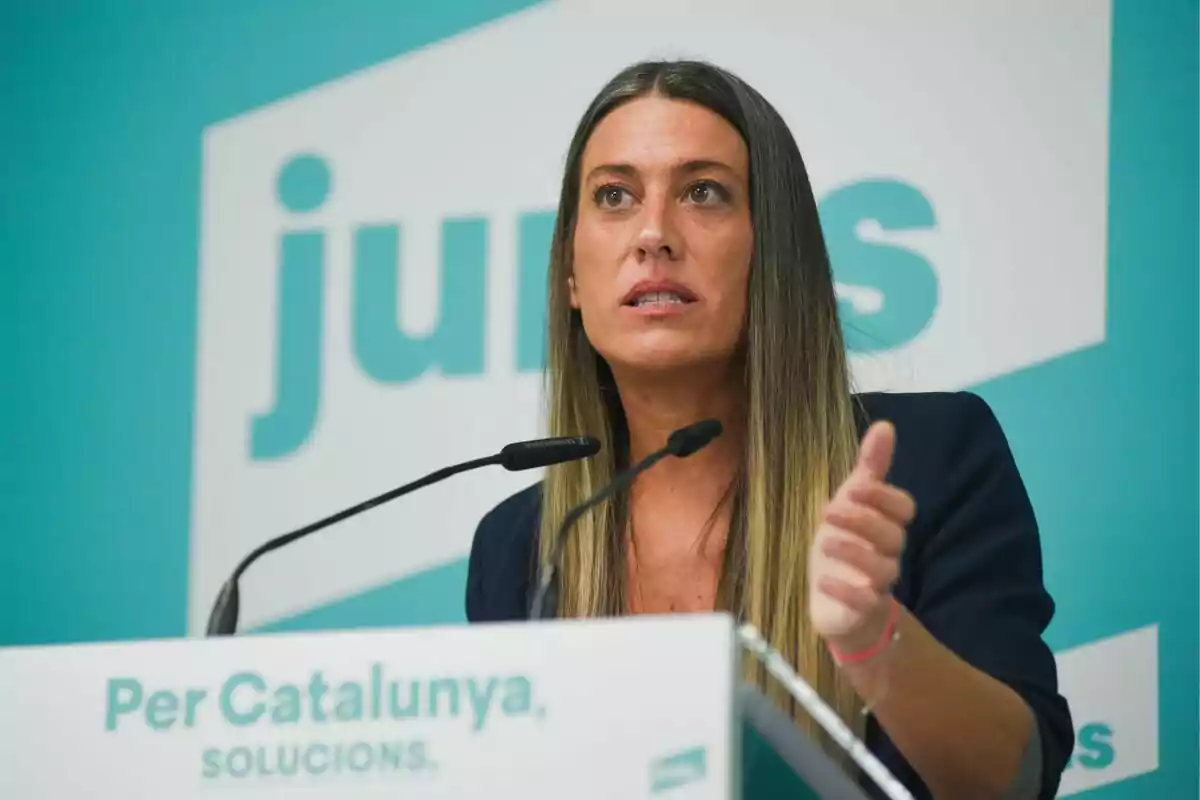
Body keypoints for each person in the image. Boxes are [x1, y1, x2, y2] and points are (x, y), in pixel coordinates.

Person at [465, 59, 1072, 799]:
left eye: (704, 192)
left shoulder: (926, 462)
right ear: (570, 274)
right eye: (615, 196)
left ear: (771, 251)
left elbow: (1015, 782)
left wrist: (875, 639)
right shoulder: (520, 548)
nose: (654, 233)